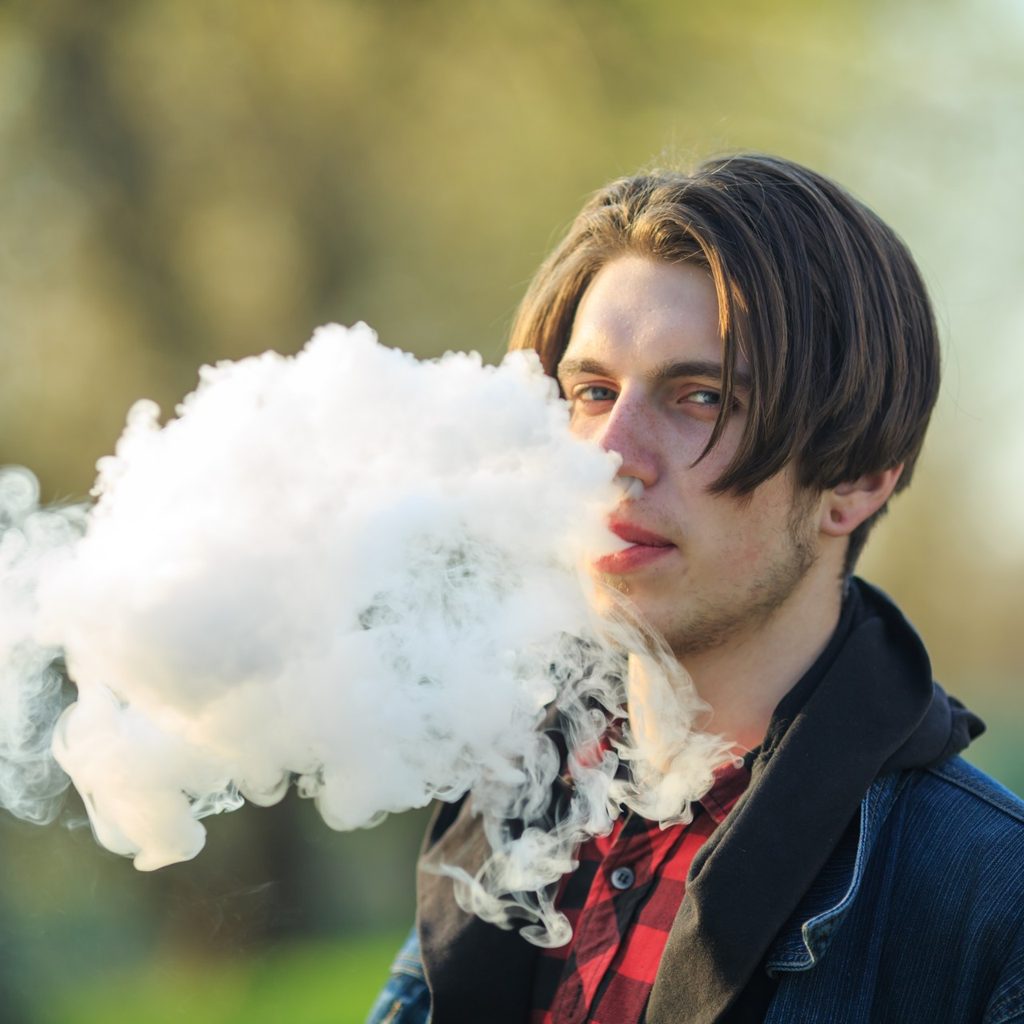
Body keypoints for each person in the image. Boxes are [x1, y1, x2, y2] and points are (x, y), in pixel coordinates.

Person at [366, 154, 1024, 1024]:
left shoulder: (988, 898)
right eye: (591, 391)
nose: (611, 456)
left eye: (701, 397)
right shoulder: (511, 807)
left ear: (858, 478)